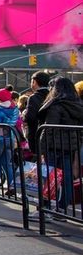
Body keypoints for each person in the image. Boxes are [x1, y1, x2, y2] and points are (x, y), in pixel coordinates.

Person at [37, 77, 83, 213]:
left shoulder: (56, 106)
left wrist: (42, 150)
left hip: (53, 147)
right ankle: (62, 208)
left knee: (49, 178)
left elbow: (48, 129)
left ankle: (46, 207)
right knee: (67, 178)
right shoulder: (78, 105)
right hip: (69, 147)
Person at [23, 71, 50, 156]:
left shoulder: (33, 97)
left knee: (39, 162)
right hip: (52, 135)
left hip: (36, 134)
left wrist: (24, 116)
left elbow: (30, 117)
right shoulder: (53, 95)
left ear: (34, 82)